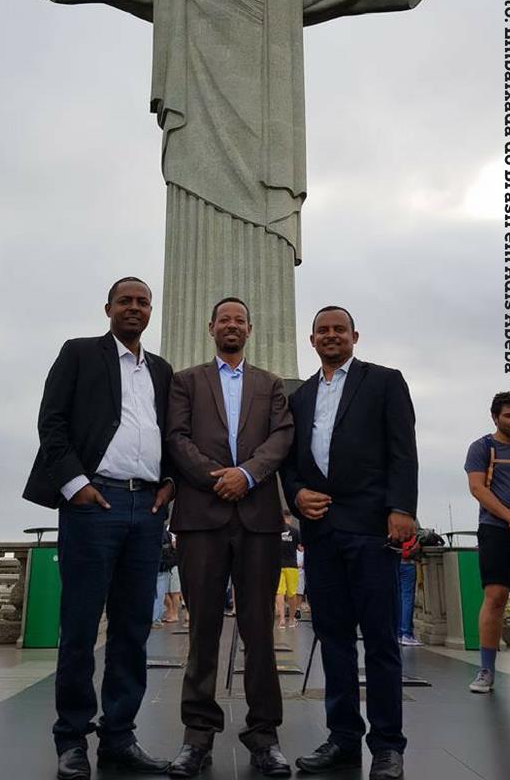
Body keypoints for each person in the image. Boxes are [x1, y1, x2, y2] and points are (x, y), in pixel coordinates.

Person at [0, 0, 510, 377]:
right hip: (196, 115)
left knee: (265, 226)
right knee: (194, 215)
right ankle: (196, 369)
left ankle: (267, 370)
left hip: (266, 129)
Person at [23, 277, 174, 780]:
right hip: (94, 502)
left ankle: (119, 737)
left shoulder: (161, 369)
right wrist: (76, 485)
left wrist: (169, 482)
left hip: (146, 508)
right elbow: (52, 423)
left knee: (133, 630)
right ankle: (71, 738)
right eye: (125, 301)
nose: (134, 308)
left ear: (151, 311)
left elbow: (170, 433)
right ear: (108, 308)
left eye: (142, 302)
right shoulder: (80, 354)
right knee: (81, 628)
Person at [281, 306, 418, 780]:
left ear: (354, 336)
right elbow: (290, 462)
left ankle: (387, 745)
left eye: (339, 329)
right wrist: (296, 493)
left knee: (380, 639)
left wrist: (401, 509)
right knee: (333, 638)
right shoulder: (299, 397)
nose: (331, 336)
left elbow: (402, 449)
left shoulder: (383, 381)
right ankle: (341, 738)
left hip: (371, 528)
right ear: (311, 340)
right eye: (323, 331)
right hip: (320, 532)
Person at [165, 297, 294, 778]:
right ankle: (196, 737)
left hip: (258, 518)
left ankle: (264, 737)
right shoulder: (186, 382)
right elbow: (176, 438)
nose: (232, 326)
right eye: (224, 320)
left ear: (250, 329)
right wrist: (216, 477)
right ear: (211, 327)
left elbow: (281, 438)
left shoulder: (271, 384)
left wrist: (248, 474)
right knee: (201, 630)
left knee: (259, 629)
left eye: (240, 320)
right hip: (202, 516)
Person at [465, 391, 510, 693]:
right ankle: (486, 670)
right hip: (494, 530)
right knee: (497, 596)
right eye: (509, 416)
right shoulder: (482, 448)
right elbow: (477, 488)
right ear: (495, 417)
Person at [275, 510, 302, 629]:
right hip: (292, 566)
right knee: (292, 593)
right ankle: (291, 620)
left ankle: (281, 620)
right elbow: (301, 548)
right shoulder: (295, 531)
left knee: (279, 592)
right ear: (289, 518)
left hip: (278, 565)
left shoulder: (276, 531)